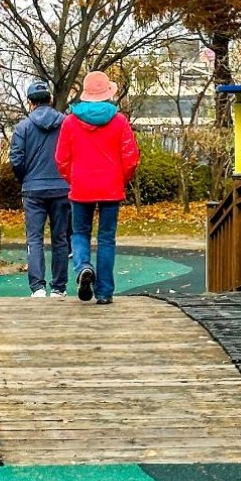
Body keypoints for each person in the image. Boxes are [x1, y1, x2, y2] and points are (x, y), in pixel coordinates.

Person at [55, 71, 139, 305]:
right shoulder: (119, 121)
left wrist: (72, 179)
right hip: (111, 186)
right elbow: (130, 158)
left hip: (81, 186)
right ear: (107, 93)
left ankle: (83, 266)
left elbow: (61, 159)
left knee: (80, 233)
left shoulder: (70, 122)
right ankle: (104, 292)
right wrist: (121, 179)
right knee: (106, 238)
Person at [9, 79, 70, 299]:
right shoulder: (66, 124)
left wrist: (25, 179)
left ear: (30, 102)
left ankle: (37, 287)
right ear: (50, 99)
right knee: (60, 238)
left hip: (33, 189)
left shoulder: (23, 127)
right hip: (62, 187)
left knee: (34, 239)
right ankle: (59, 287)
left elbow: (16, 160)